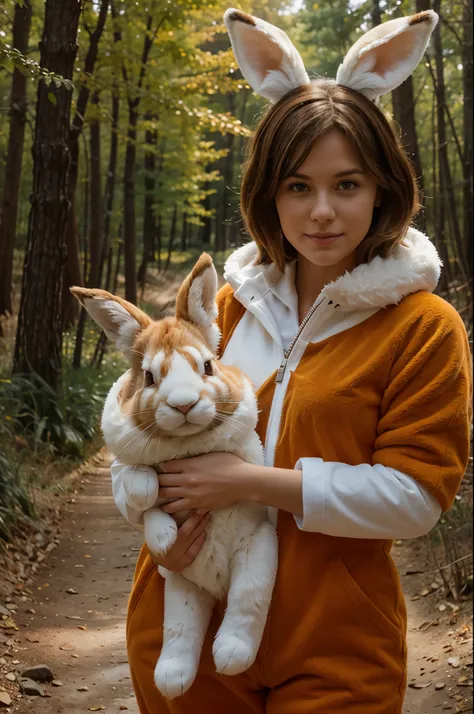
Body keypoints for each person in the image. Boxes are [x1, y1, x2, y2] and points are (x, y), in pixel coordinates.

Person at [112, 8, 472, 714]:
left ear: (384, 188)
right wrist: (148, 518)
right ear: (268, 193)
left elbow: (417, 500)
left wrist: (250, 482)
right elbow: (139, 429)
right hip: (188, 637)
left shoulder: (423, 327)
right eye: (298, 186)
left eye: (348, 184)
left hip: (338, 645)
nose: (322, 214)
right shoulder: (223, 310)